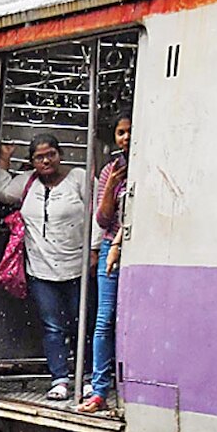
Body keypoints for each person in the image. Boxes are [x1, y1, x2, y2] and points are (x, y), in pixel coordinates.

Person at [0, 133, 89, 402]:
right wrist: (4, 159)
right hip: (40, 270)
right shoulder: (27, 183)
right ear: (32, 161)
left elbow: (97, 214)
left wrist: (94, 251)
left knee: (81, 324)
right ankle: (59, 379)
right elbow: (2, 191)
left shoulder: (79, 179)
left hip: (78, 267)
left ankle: (87, 379)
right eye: (39, 157)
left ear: (60, 155)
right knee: (52, 326)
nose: (46, 160)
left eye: (51, 154)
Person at [79, 112, 132, 414]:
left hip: (129, 248)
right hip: (112, 248)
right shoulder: (112, 170)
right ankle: (99, 391)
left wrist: (117, 244)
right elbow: (102, 218)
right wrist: (111, 184)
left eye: (130, 131)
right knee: (104, 321)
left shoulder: (146, 163)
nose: (125, 138)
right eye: (120, 133)